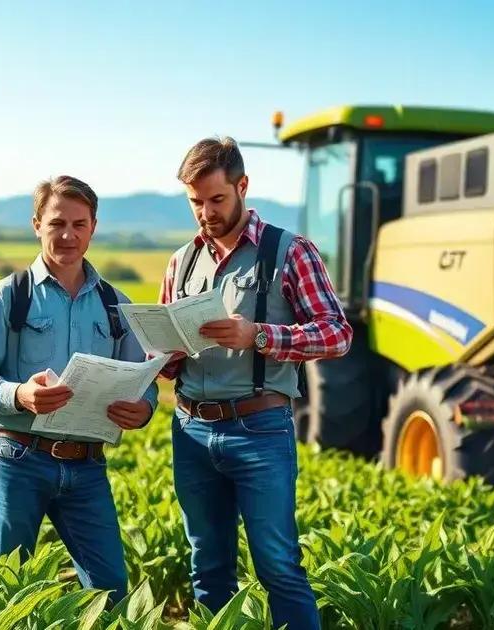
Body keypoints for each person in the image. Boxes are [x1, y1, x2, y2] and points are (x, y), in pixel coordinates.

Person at [158, 137, 352, 630]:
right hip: (191, 430)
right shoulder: (181, 262)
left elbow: (337, 333)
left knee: (277, 565)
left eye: (216, 199)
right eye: (195, 202)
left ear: (242, 186)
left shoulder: (291, 251)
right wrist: (163, 357)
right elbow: (162, 352)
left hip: (260, 428)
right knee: (208, 564)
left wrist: (259, 335)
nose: (205, 212)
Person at [0, 175, 157, 605]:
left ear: (93, 227)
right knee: (7, 590)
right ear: (36, 225)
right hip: (19, 459)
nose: (68, 235)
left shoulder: (116, 303)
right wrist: (18, 395)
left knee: (110, 590)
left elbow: (143, 379)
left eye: (79, 224)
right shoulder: (8, 296)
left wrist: (144, 409)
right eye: (57, 223)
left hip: (87, 466)